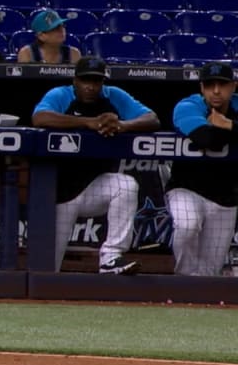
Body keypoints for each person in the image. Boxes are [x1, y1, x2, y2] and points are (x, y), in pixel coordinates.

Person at [32, 56, 161, 274]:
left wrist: (122, 125)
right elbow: (40, 118)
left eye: (96, 81)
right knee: (47, 267)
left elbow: (152, 119)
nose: (90, 86)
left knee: (125, 185)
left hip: (94, 187)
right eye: (85, 80)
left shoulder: (113, 96)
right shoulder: (61, 94)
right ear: (75, 81)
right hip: (59, 193)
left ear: (103, 82)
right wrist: (87, 122)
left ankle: (111, 257)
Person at [165, 61, 238, 276]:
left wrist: (228, 125)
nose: (216, 91)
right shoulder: (187, 106)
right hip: (186, 189)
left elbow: (215, 134)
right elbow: (206, 139)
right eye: (210, 85)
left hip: (226, 198)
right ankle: (183, 283)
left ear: (233, 86)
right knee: (187, 225)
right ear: (201, 88)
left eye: (222, 85)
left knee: (210, 272)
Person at [17, 8, 82, 64]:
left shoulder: (74, 54)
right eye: (55, 28)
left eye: (62, 26)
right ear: (41, 36)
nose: (61, 30)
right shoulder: (27, 54)